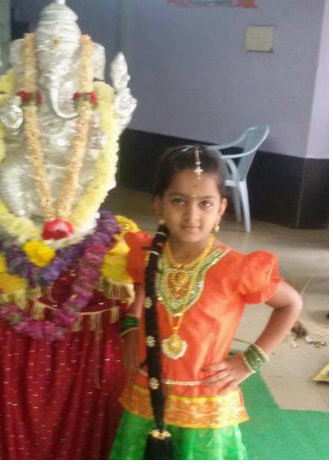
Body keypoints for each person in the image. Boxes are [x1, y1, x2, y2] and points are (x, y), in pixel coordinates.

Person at [0, 0, 140, 459]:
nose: (53, 63)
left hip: (74, 175)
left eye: (61, 53)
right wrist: (0, 107)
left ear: (76, 56)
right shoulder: (21, 88)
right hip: (28, 173)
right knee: (11, 175)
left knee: (86, 175)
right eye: (45, 54)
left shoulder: (91, 94)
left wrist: (117, 109)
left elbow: (102, 149)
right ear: (33, 56)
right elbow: (0, 135)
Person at [109, 146, 302, 459]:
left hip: (207, 406)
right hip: (147, 396)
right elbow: (141, 287)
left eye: (205, 203)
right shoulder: (145, 253)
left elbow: (290, 304)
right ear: (158, 204)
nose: (191, 215)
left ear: (221, 208)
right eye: (178, 201)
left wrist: (251, 360)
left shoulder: (238, 267)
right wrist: (131, 328)